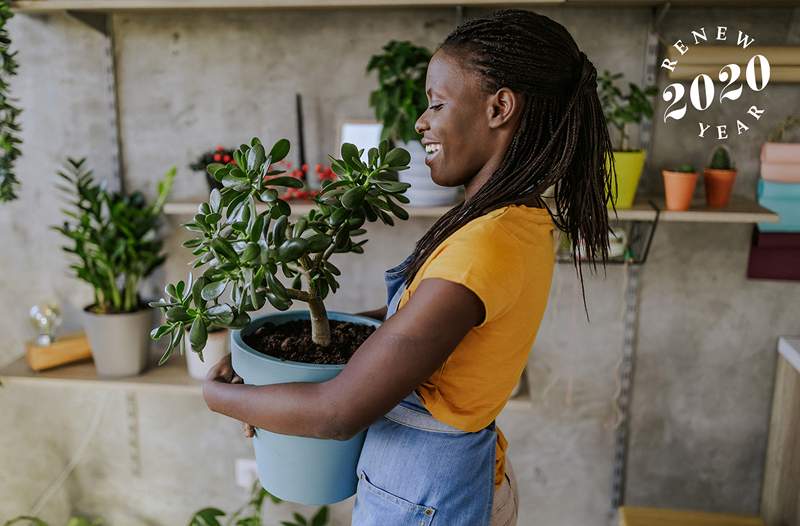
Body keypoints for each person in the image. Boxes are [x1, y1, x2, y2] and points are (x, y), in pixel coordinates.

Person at [202, 8, 614, 526]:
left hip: (427, 500)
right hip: (430, 487)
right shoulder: (512, 221)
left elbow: (338, 412)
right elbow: (413, 323)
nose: (421, 122)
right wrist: (290, 354)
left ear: (499, 107)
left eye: (437, 103)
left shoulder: (487, 245)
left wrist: (221, 397)